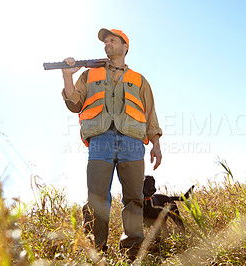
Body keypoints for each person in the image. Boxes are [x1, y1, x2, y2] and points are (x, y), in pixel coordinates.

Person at [60, 28, 162, 260]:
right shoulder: (89, 74)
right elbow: (74, 103)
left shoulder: (139, 80)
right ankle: (96, 254)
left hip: (133, 142)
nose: (107, 44)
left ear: (125, 46)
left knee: (134, 199)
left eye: (112, 40)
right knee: (97, 198)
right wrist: (68, 76)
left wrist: (155, 142)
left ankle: (133, 252)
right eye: (105, 41)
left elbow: (150, 113)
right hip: (101, 140)